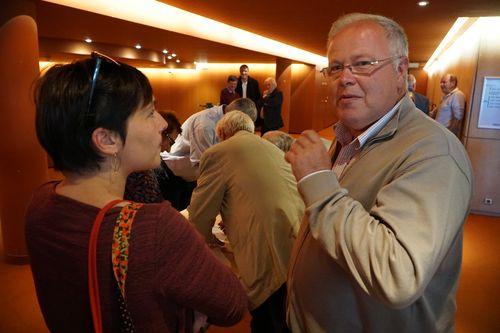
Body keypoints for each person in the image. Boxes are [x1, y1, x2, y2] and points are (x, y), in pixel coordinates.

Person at [26, 53, 248, 332]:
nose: (162, 123)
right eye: (148, 113)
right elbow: (232, 304)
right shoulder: (153, 228)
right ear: (107, 139)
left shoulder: (40, 202)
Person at [285, 13, 473, 333]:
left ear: (401, 71)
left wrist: (317, 182)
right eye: (336, 67)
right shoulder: (351, 136)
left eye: (363, 63)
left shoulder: (433, 151)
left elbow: (396, 274)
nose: (345, 77)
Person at [188, 111, 304, 333]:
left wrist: (207, 243)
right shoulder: (269, 147)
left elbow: (199, 217)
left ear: (222, 133)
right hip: (298, 244)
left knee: (268, 322)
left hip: (268, 252)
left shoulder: (218, 153)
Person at [161, 98, 257, 181]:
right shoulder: (205, 126)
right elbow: (205, 165)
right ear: (237, 118)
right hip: (178, 173)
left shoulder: (225, 119)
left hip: (198, 171)